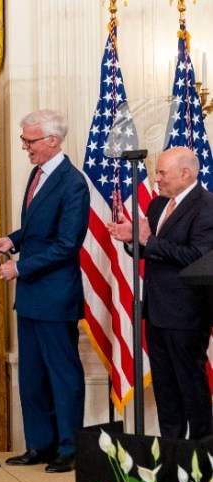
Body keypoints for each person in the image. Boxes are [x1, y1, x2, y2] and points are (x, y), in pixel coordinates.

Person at [0, 109, 89, 473]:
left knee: (62, 375)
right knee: (31, 375)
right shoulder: (37, 174)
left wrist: (20, 266)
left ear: (52, 141)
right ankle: (40, 444)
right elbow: (35, 232)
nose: (24, 147)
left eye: (29, 141)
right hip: (30, 295)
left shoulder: (73, 183)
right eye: (24, 140)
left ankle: (70, 448)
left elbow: (67, 243)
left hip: (56, 297)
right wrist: (9, 241)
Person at [107, 146, 213, 439]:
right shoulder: (157, 206)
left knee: (191, 389)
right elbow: (148, 250)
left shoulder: (206, 207)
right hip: (155, 311)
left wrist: (148, 241)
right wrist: (132, 241)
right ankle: (170, 459)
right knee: (166, 391)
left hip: (187, 315)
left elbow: (197, 256)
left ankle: (203, 461)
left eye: (162, 172)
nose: (156, 179)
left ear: (185, 173)